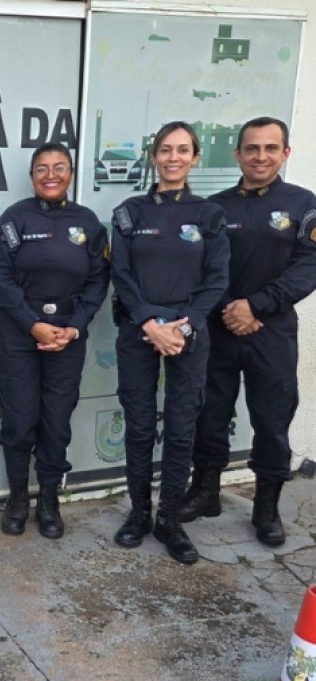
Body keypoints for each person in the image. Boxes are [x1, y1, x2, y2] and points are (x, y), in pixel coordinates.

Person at [183, 117, 316, 546]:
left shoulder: (304, 204)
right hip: (219, 329)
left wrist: (256, 306)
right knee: (209, 414)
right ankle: (205, 493)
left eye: (270, 148)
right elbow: (200, 269)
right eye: (252, 148)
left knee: (272, 421)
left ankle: (266, 507)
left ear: (285, 153)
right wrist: (228, 308)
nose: (261, 156)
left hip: (271, 332)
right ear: (237, 154)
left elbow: (309, 266)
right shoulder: (214, 208)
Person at [110, 121, 229, 565]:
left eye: (182, 150)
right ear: (154, 156)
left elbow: (217, 277)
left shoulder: (209, 214)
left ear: (195, 157)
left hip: (188, 332)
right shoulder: (129, 212)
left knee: (180, 428)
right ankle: (139, 512)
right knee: (140, 424)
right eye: (165, 149)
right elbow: (121, 274)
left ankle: (169, 518)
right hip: (139, 329)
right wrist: (148, 321)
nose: (173, 158)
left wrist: (185, 325)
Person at [0, 143, 110, 539]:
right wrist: (32, 324)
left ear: (71, 173)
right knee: (20, 420)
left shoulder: (87, 223)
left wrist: (74, 327)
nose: (51, 175)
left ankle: (50, 500)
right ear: (32, 176)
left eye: (59, 167)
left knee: (56, 423)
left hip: (67, 335)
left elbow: (99, 279)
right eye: (42, 168)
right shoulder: (14, 219)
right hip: (17, 333)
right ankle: (18, 498)